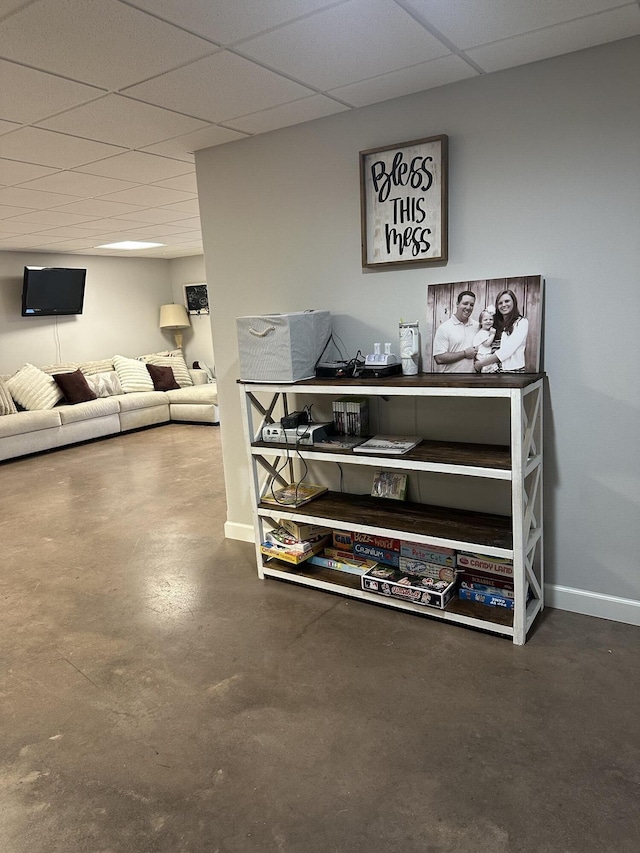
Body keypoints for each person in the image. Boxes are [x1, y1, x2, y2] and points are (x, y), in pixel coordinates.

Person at [474, 289, 529, 373]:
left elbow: (507, 350)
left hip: (512, 371)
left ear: (514, 302)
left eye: (507, 301)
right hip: (493, 370)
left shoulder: (521, 322)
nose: (503, 305)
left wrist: (480, 364)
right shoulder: (495, 324)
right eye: (500, 303)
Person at [432, 290, 479, 372]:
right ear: (457, 304)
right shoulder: (444, 328)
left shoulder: (477, 326)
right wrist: (464, 353)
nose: (468, 307)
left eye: (471, 305)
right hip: (450, 381)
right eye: (465, 303)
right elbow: (439, 358)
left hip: (472, 380)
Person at [472, 308, 499, 373]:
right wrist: (492, 335)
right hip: (482, 356)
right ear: (481, 322)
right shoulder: (482, 333)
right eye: (485, 320)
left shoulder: (487, 331)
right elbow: (486, 344)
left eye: (491, 319)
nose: (488, 321)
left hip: (487, 355)